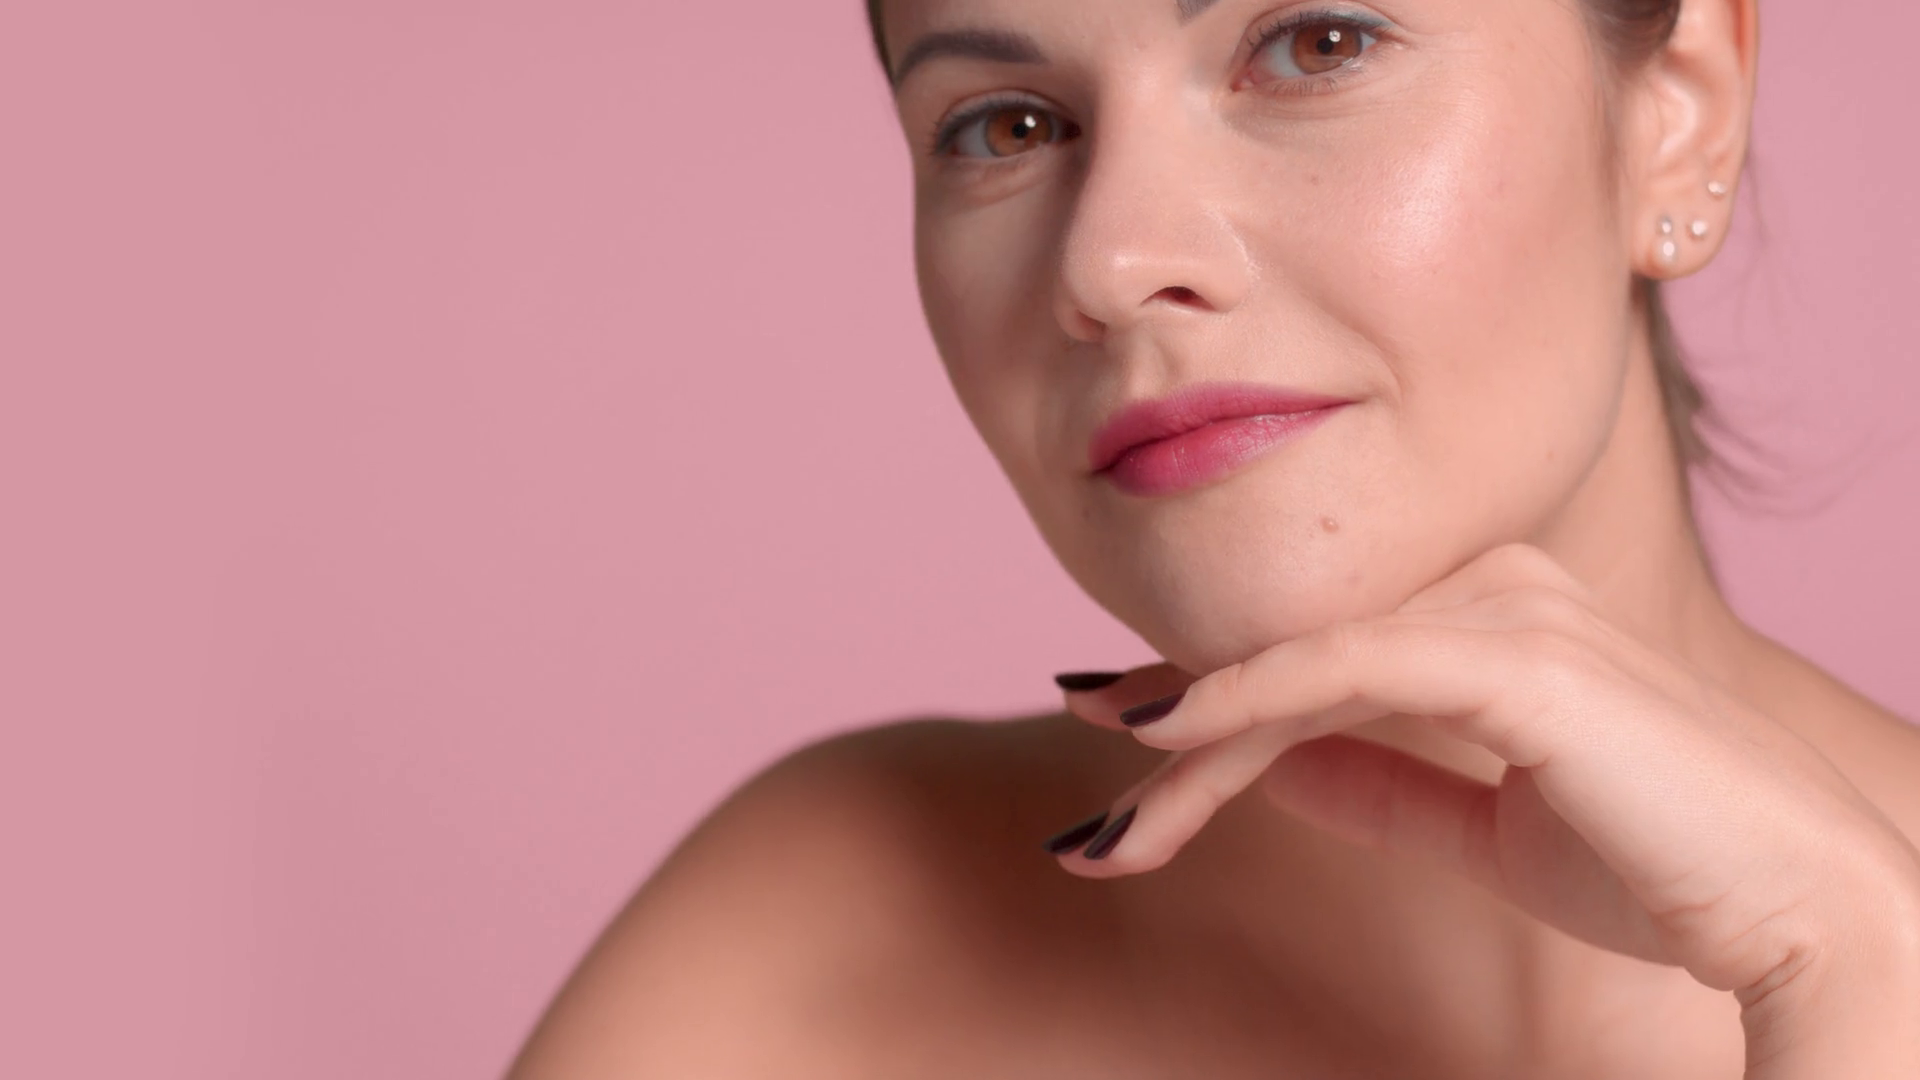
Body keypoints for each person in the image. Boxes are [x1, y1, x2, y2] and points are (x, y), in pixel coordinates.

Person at [507, 0, 1920, 1074]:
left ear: (1680, 110)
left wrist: (1851, 983)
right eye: (1004, 125)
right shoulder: (812, 953)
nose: (1109, 263)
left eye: (1313, 45)